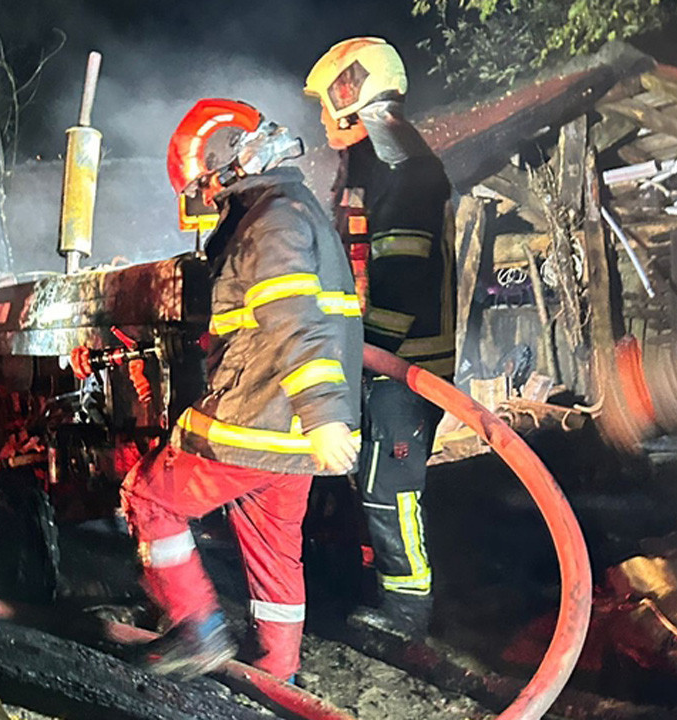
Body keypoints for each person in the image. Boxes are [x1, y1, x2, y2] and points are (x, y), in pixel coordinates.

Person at [119, 98, 363, 680]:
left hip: (260, 420)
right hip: (292, 437)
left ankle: (196, 628)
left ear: (233, 165)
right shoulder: (295, 210)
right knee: (275, 552)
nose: (206, 199)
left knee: (149, 496)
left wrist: (323, 413)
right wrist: (319, 419)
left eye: (205, 184)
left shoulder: (270, 223)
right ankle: (278, 674)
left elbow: (293, 317)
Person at [304, 37, 456, 639]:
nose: (323, 119)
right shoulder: (378, 169)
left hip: (405, 366)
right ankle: (366, 584)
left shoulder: (407, 173)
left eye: (327, 104)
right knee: (366, 481)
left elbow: (401, 281)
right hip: (380, 360)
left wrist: (361, 355)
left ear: (352, 95)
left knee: (390, 488)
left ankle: (408, 612)